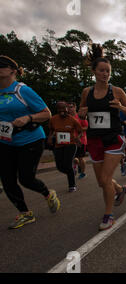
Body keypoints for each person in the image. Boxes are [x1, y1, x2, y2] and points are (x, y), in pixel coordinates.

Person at [0, 55, 60, 229]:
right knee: (8, 180)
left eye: (2, 65)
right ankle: (25, 213)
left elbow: (46, 113)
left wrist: (28, 117)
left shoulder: (22, 90)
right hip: (6, 141)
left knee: (26, 178)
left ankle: (47, 193)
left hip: (30, 139)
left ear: (12, 70)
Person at [78, 44, 126, 230]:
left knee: (105, 177)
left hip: (113, 138)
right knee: (102, 182)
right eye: (101, 70)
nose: (105, 74)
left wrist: (120, 108)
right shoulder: (87, 92)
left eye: (108, 71)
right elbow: (80, 113)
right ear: (94, 71)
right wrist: (82, 113)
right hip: (94, 139)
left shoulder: (117, 91)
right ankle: (119, 189)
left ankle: (108, 216)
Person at [48, 101, 83, 192]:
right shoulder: (53, 119)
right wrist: (50, 137)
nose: (61, 110)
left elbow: (80, 131)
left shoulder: (72, 119)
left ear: (67, 109)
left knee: (67, 164)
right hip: (58, 145)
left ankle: (72, 185)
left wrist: (78, 138)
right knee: (59, 166)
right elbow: (51, 130)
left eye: (63, 108)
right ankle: (71, 172)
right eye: (59, 109)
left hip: (71, 144)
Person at [67, 102, 89, 180]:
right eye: (68, 107)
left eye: (71, 107)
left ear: (75, 107)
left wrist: (77, 128)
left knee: (80, 157)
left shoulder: (80, 116)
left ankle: (83, 173)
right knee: (71, 157)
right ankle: (77, 166)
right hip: (71, 140)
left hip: (81, 140)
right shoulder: (67, 117)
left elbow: (86, 127)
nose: (70, 109)